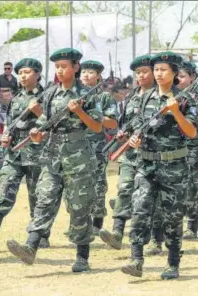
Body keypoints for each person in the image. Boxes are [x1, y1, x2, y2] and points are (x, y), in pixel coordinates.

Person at [5, 48, 102, 273]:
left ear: (76, 67)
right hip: (52, 155)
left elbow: (97, 127)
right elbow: (45, 120)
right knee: (44, 198)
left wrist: (79, 112)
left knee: (79, 206)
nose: (60, 70)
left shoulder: (87, 94)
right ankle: (30, 247)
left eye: (64, 66)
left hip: (78, 156)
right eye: (57, 67)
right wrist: (38, 133)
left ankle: (82, 256)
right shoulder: (50, 94)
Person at [120, 51, 197, 280]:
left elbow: (192, 132)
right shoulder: (144, 97)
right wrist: (133, 138)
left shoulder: (185, 99)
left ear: (174, 73)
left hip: (174, 166)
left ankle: (173, 262)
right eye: (156, 70)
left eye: (163, 70)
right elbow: (135, 126)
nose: (159, 73)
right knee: (140, 208)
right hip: (146, 163)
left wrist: (176, 112)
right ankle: (136, 259)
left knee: (172, 216)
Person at [0, 58, 50, 246]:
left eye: (27, 72)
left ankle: (41, 235)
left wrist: (39, 112)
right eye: (20, 73)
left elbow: (53, 123)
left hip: (37, 152)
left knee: (37, 194)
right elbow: (8, 122)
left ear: (37, 74)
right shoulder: (17, 98)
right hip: (14, 152)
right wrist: (5, 136)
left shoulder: (47, 96)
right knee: (6, 185)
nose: (22, 76)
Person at [99, 54, 154, 250]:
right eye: (138, 73)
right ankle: (117, 232)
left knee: (148, 197)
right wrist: (123, 134)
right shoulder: (131, 96)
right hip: (130, 154)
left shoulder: (161, 96)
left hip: (153, 155)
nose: (140, 76)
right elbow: (124, 123)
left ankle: (156, 238)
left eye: (144, 72)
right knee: (124, 190)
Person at [79, 60, 118, 235]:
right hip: (75, 148)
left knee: (98, 185)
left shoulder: (104, 97)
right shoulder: (73, 96)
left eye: (91, 72)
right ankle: (81, 222)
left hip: (97, 147)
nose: (86, 75)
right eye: (84, 72)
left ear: (99, 76)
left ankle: (97, 222)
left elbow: (112, 122)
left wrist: (95, 116)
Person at [177, 61, 198, 239]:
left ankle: (192, 224)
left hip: (193, 148)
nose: (178, 80)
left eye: (182, 76)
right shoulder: (167, 94)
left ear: (192, 78)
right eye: (177, 76)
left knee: (192, 186)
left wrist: (189, 105)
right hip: (171, 148)